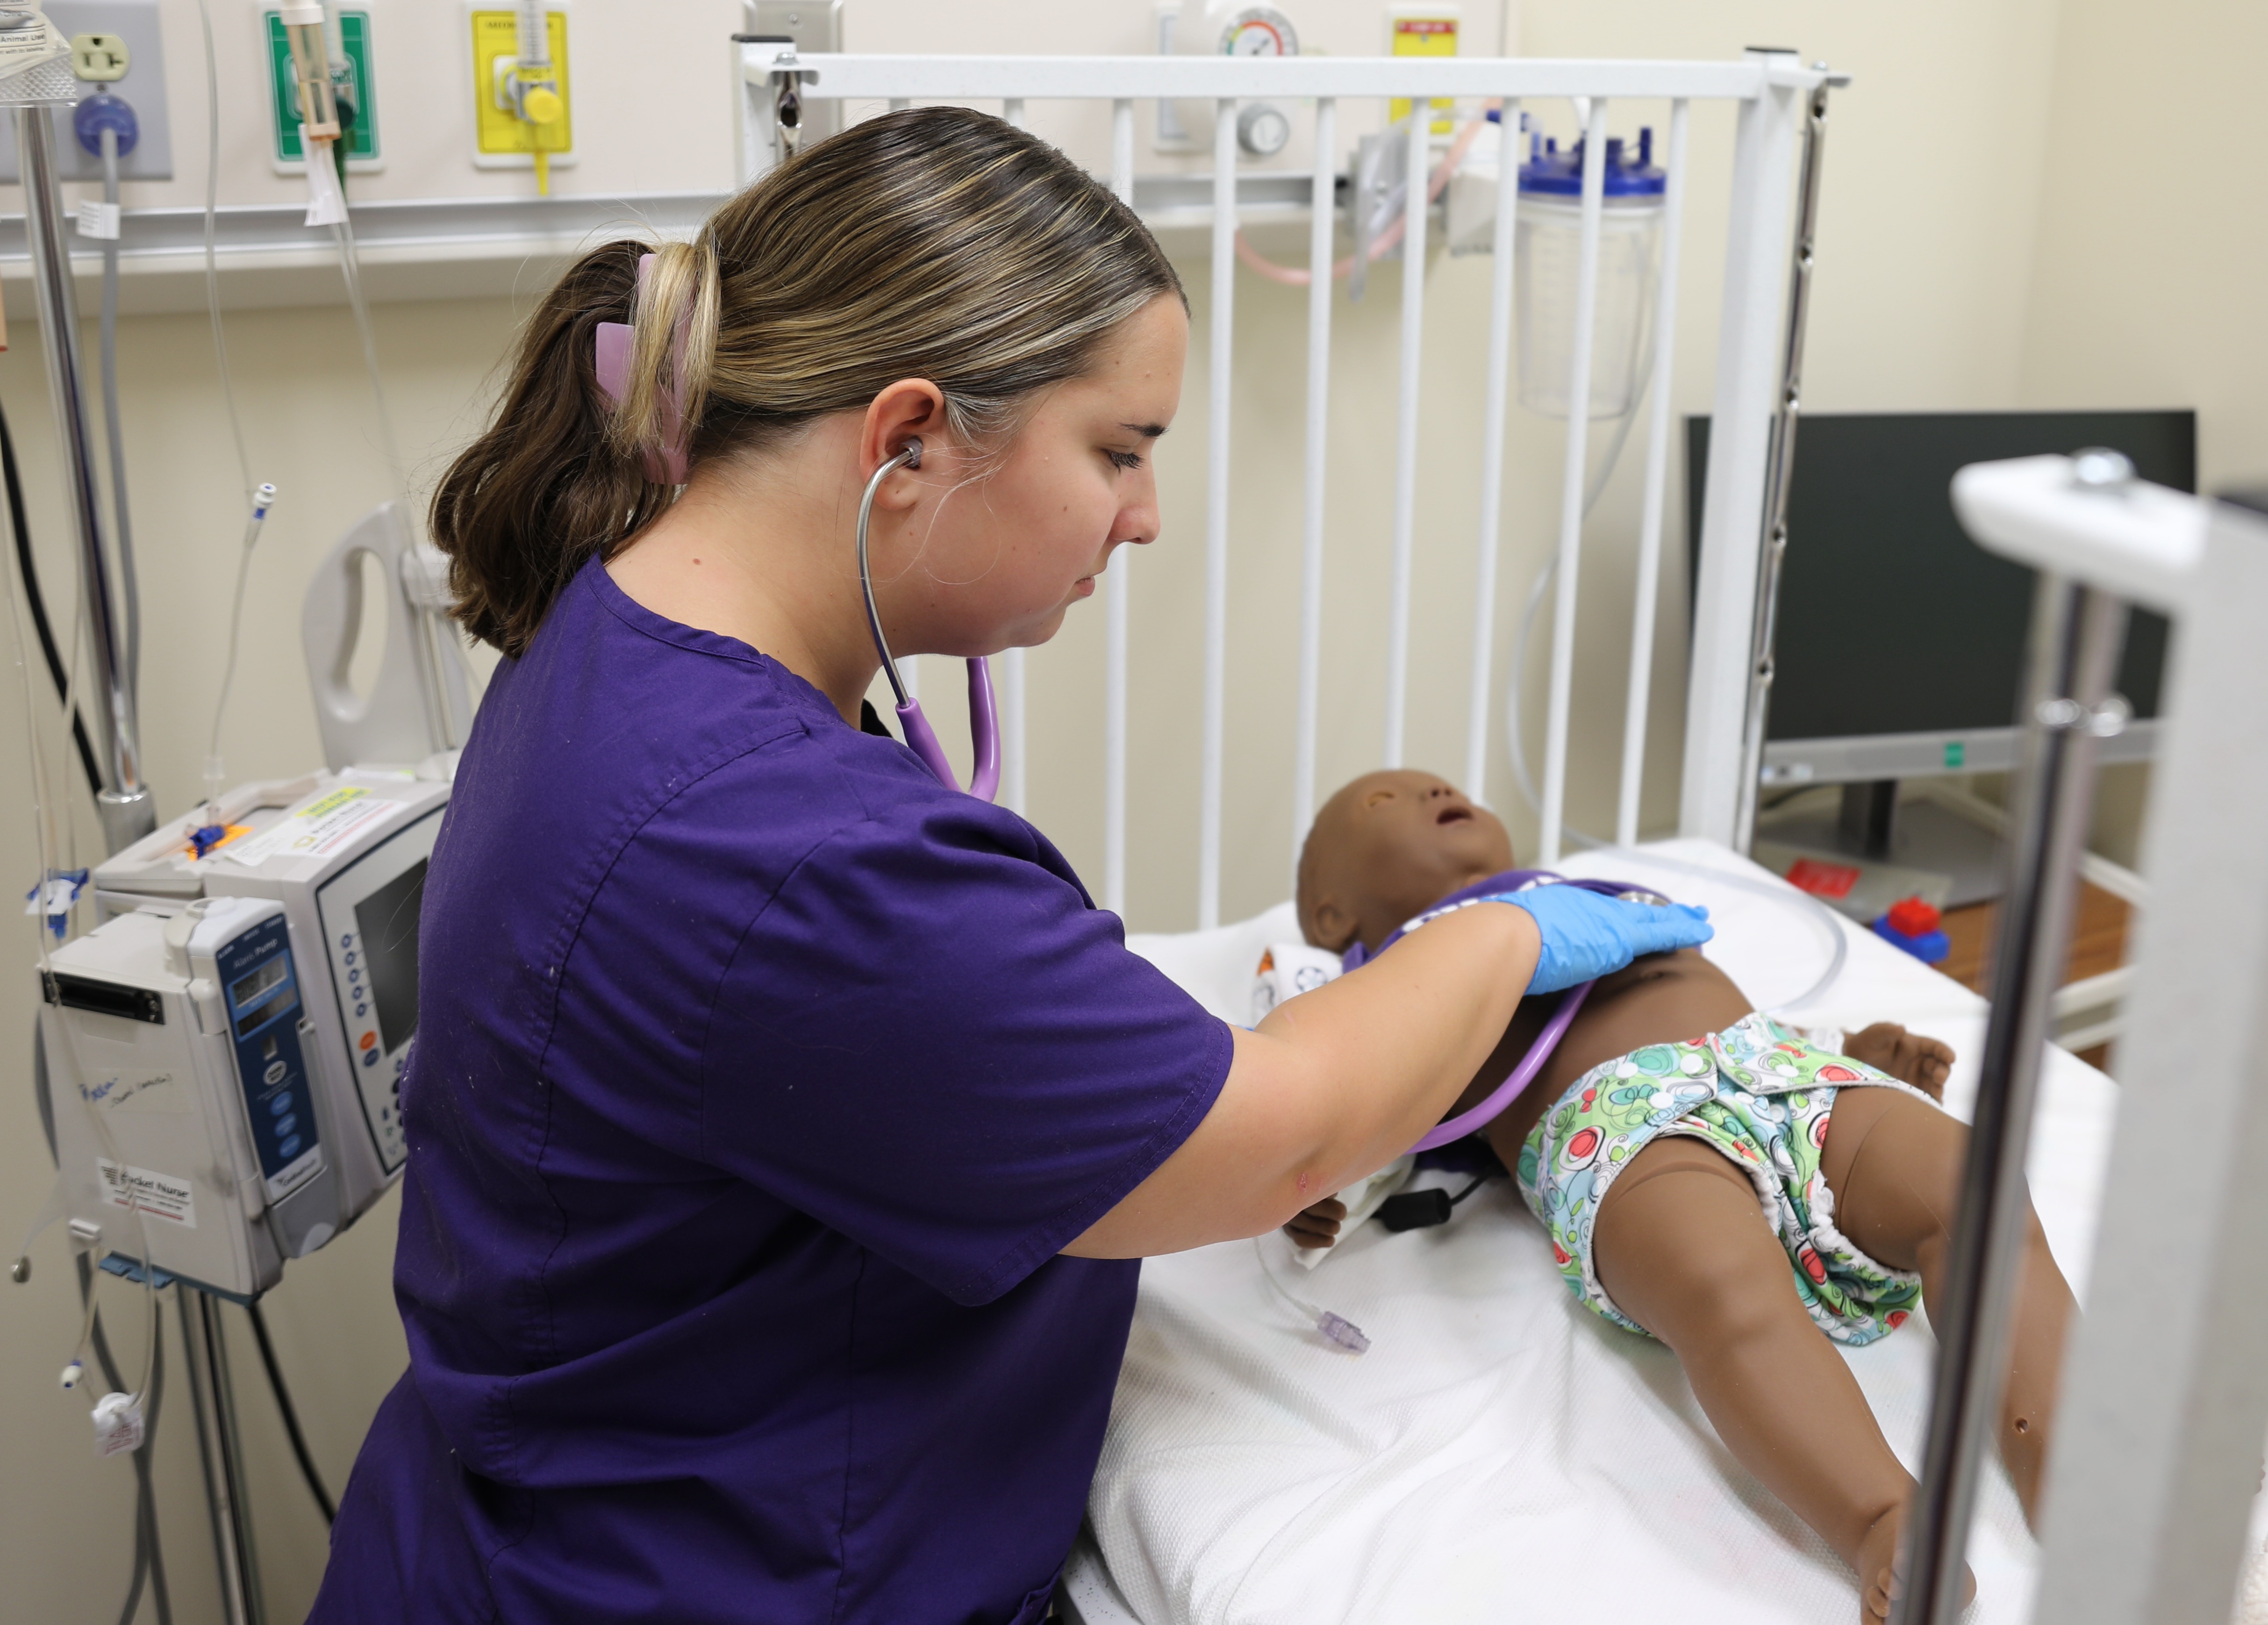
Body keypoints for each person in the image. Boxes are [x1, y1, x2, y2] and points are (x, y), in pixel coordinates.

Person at [307, 109, 1714, 1625]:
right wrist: (1504, 931)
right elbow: (1286, 1141)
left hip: (525, 1513)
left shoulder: (616, 632)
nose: (1145, 517)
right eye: (1117, 450)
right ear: (907, 438)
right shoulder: (787, 854)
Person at [1283, 770, 2076, 1625]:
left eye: (1435, 782)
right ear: (1333, 914)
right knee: (1718, 1283)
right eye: (1385, 799)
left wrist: (1853, 1048)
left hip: (1776, 1070)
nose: (1431, 786)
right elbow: (1353, 1097)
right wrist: (1316, 1176)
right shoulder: (1392, 978)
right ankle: (1883, 1514)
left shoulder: (1598, 899)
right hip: (1619, 1129)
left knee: (1972, 1186)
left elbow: (1713, 999)